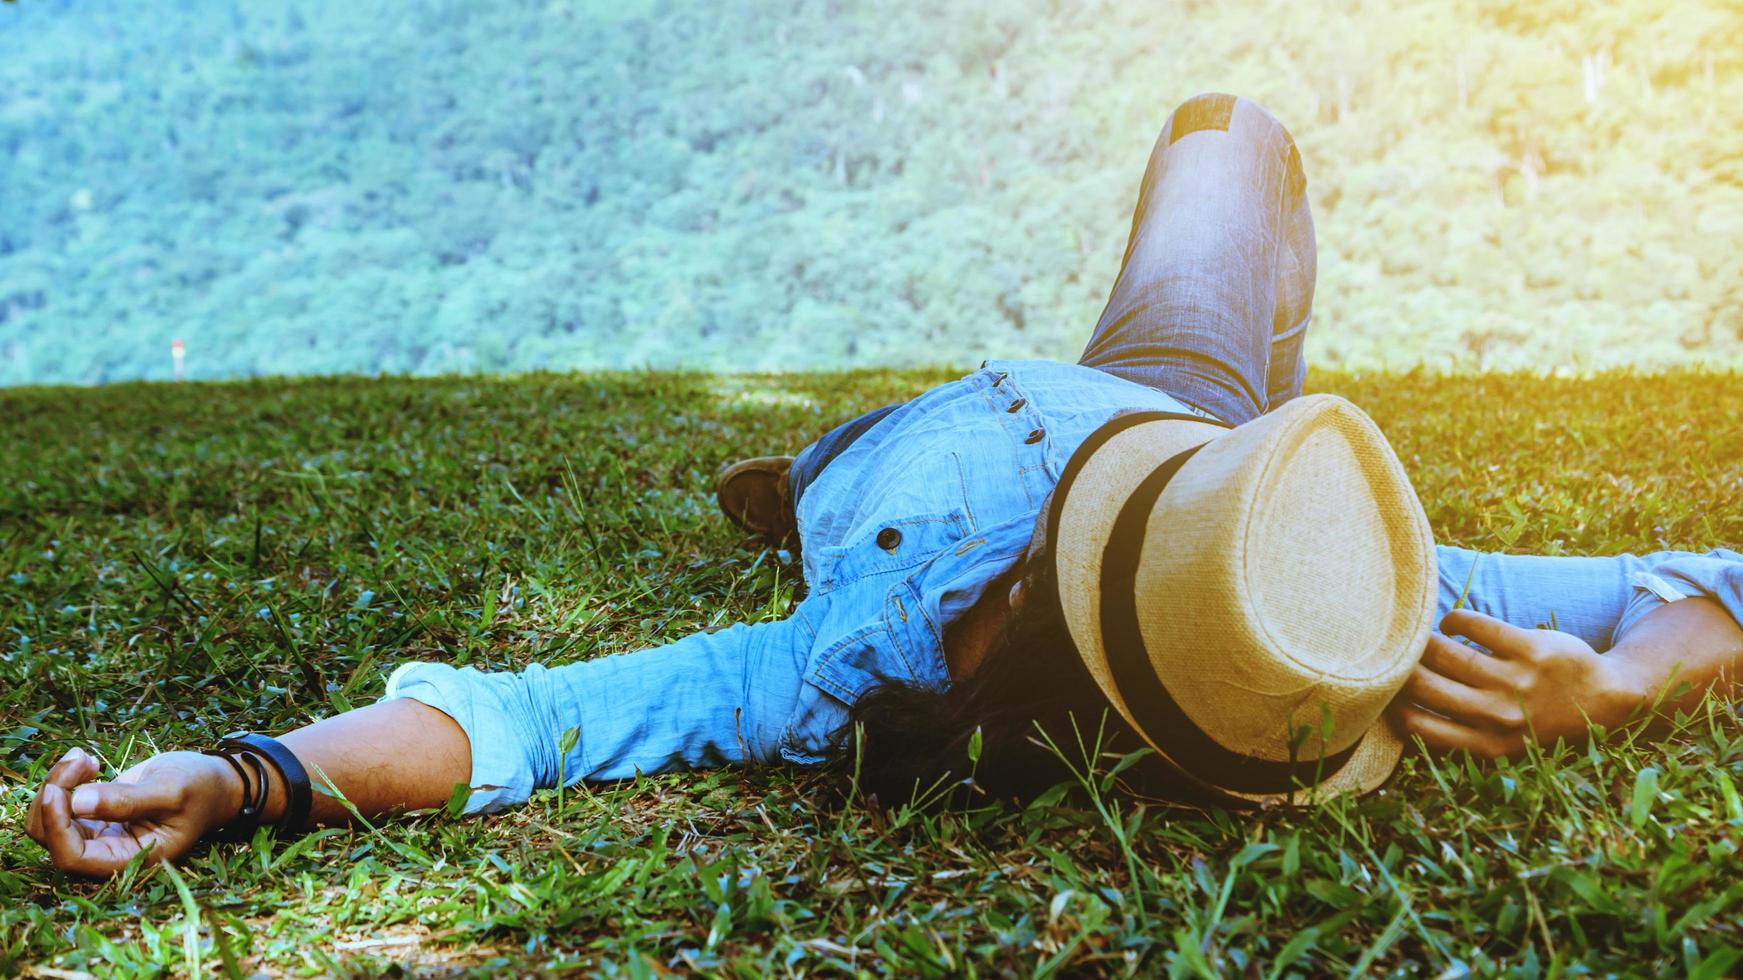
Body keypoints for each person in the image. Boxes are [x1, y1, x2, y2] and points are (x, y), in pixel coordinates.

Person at [26, 94, 1743, 878]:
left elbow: (525, 723)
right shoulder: (1351, 618)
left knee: (845, 460)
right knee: (1229, 132)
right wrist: (1615, 687)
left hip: (1047, 460)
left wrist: (254, 778)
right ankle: (894, 467)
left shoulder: (882, 666)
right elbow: (1720, 585)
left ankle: (816, 473)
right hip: (1178, 412)